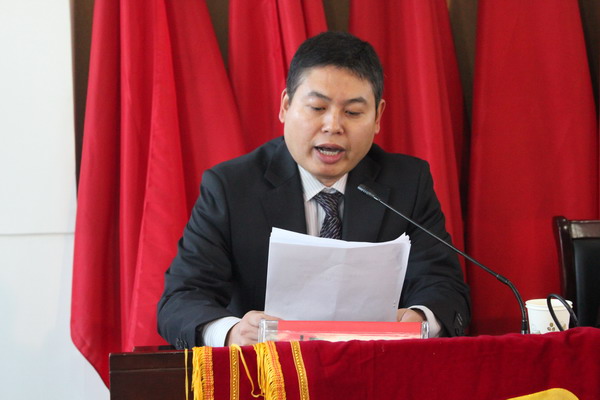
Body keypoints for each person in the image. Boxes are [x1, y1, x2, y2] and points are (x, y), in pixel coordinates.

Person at [157, 31, 470, 349]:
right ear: (286, 106)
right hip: (271, 372)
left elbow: (443, 286)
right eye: (317, 108)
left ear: (377, 117)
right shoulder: (231, 188)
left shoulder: (407, 183)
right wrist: (232, 332)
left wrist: (420, 319)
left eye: (353, 112)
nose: (333, 126)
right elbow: (182, 298)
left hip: (375, 364)